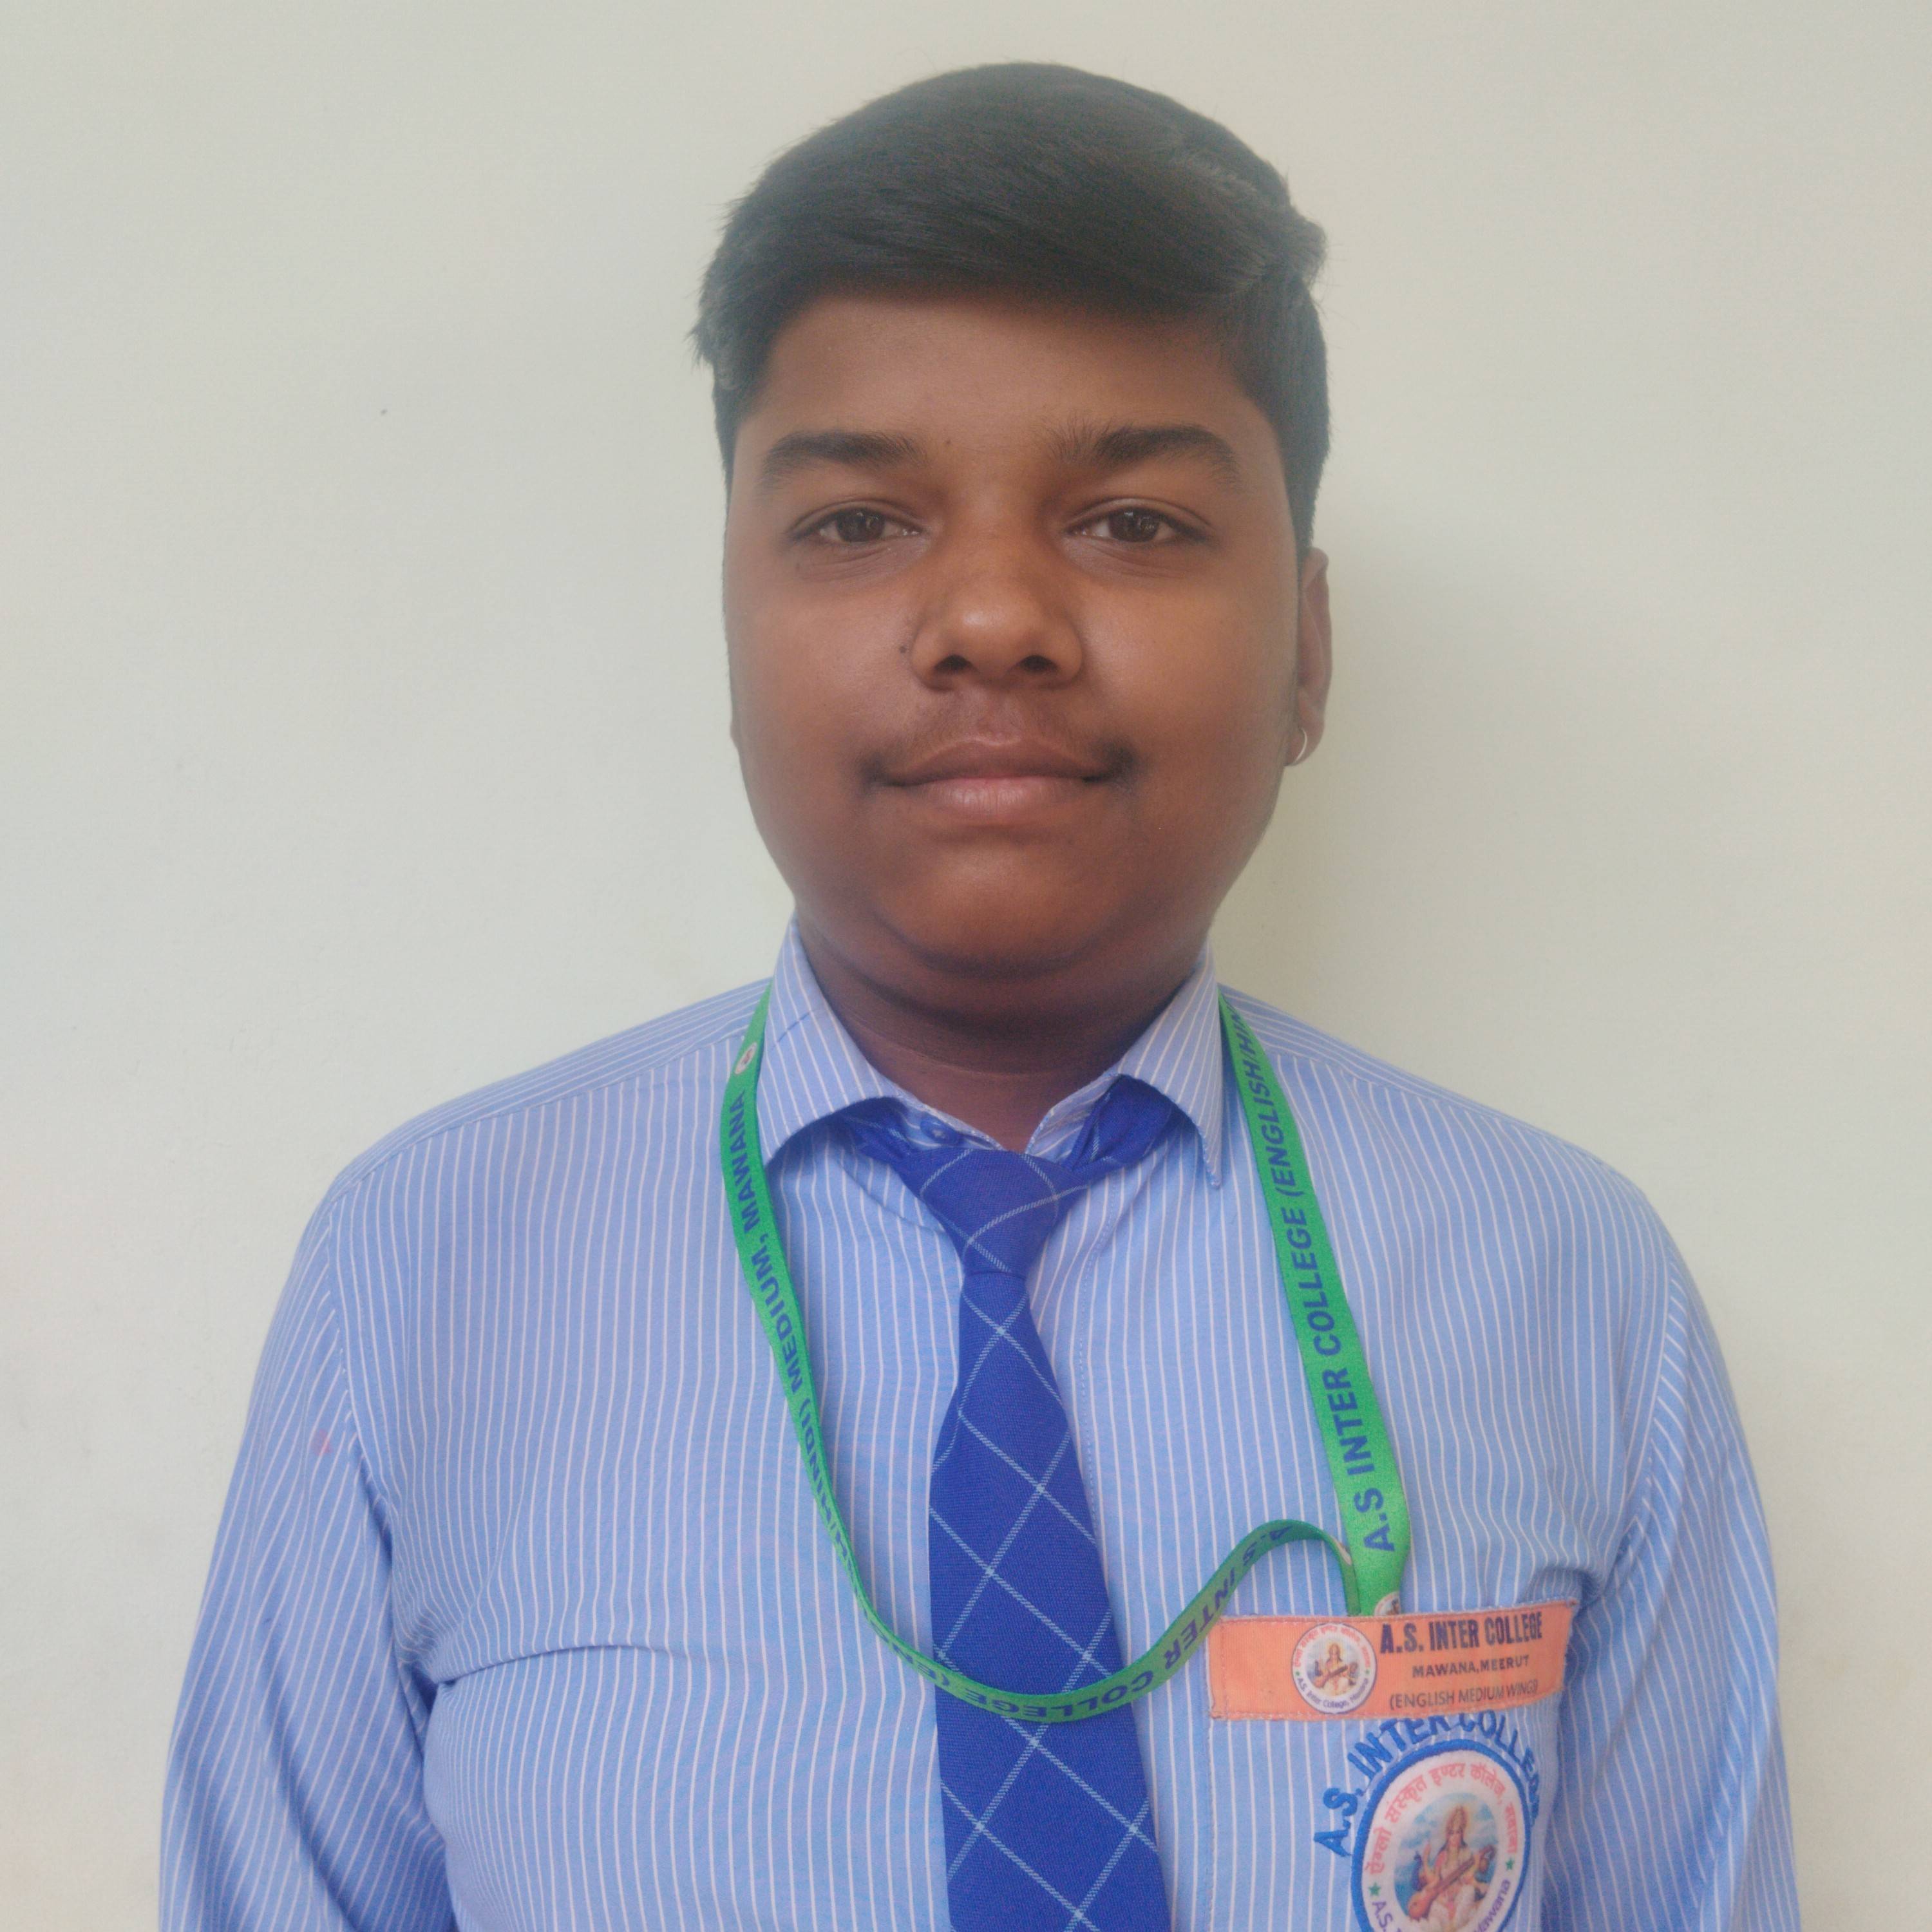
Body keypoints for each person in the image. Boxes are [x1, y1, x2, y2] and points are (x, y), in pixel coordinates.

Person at [162, 62, 1799, 1931]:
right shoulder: (423, 1270)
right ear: (731, 622)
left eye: (1134, 522)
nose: (995, 619)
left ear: (1308, 651)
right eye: (860, 523)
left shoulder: (1568, 1285)